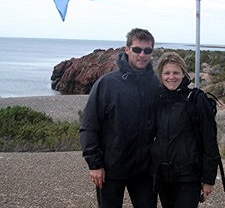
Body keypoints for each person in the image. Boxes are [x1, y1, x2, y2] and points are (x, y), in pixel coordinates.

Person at [80, 28, 160, 208]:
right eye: (137, 49)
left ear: (151, 53)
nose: (142, 55)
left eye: (147, 51)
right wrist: (94, 165)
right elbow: (89, 126)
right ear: (127, 50)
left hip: (144, 172)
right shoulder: (107, 83)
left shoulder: (155, 84)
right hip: (110, 170)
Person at [151, 51, 220, 208]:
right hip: (163, 176)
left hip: (188, 177)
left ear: (183, 73)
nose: (171, 77)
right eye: (167, 73)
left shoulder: (196, 99)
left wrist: (208, 179)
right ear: (161, 75)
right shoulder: (158, 100)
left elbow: (209, 140)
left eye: (176, 72)